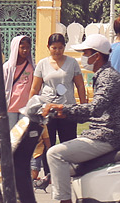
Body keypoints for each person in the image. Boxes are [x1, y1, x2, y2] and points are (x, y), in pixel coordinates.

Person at [39, 31, 120, 203]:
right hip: (104, 132)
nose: (83, 58)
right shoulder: (103, 75)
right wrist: (66, 112)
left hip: (109, 135)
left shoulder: (107, 78)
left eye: (86, 53)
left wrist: (65, 109)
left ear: (97, 56)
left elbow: (95, 109)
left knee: (55, 153)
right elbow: (93, 111)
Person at [0, 35, 41, 203]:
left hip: (25, 110)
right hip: (10, 109)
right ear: (15, 48)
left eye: (27, 47)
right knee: (9, 142)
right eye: (22, 48)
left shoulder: (32, 68)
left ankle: (21, 171)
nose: (25, 51)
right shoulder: (7, 68)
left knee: (22, 144)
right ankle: (6, 172)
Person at [28, 32, 87, 188]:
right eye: (54, 48)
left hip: (68, 110)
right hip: (47, 111)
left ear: (64, 48)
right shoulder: (42, 64)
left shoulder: (72, 63)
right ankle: (51, 176)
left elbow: (80, 86)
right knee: (49, 145)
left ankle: (69, 174)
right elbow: (35, 88)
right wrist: (31, 108)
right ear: (48, 47)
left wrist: (84, 107)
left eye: (60, 48)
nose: (57, 51)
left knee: (69, 143)